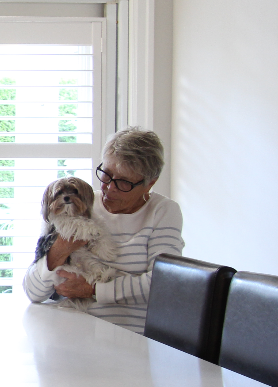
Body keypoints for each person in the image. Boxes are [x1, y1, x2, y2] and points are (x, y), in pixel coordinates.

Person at [22, 127, 184, 333]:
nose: (109, 187)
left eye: (123, 182)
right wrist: (59, 250)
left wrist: (94, 290)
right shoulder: (79, 205)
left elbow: (163, 284)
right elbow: (33, 292)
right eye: (106, 174)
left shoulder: (162, 211)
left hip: (128, 334)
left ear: (149, 183)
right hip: (67, 330)